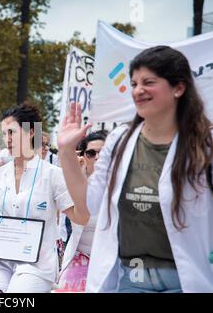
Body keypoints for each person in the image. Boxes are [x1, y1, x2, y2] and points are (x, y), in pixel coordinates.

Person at [58, 46, 213, 292]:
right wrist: (66, 152)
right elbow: (88, 205)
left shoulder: (205, 144)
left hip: (187, 281)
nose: (138, 91)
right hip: (130, 279)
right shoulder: (120, 140)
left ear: (179, 88)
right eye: (134, 83)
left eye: (148, 82)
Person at [0, 102, 77, 293]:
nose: (7, 139)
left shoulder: (53, 174)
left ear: (31, 132)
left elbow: (81, 217)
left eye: (12, 132)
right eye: (3, 134)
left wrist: (76, 169)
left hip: (36, 264)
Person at [56, 130, 107, 292]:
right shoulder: (75, 183)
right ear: (84, 156)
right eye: (91, 153)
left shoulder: (123, 183)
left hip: (112, 260)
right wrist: (73, 173)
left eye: (103, 152)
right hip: (81, 256)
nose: (98, 157)